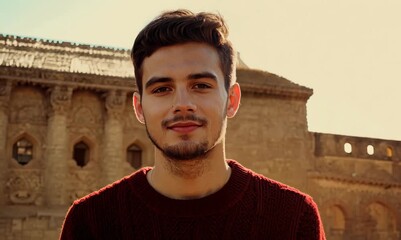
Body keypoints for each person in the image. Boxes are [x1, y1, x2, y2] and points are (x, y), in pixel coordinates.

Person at [60, 9, 326, 239]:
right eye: (162, 89)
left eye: (200, 85)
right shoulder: (91, 223)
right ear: (139, 108)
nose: (182, 103)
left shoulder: (291, 219)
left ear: (232, 100)